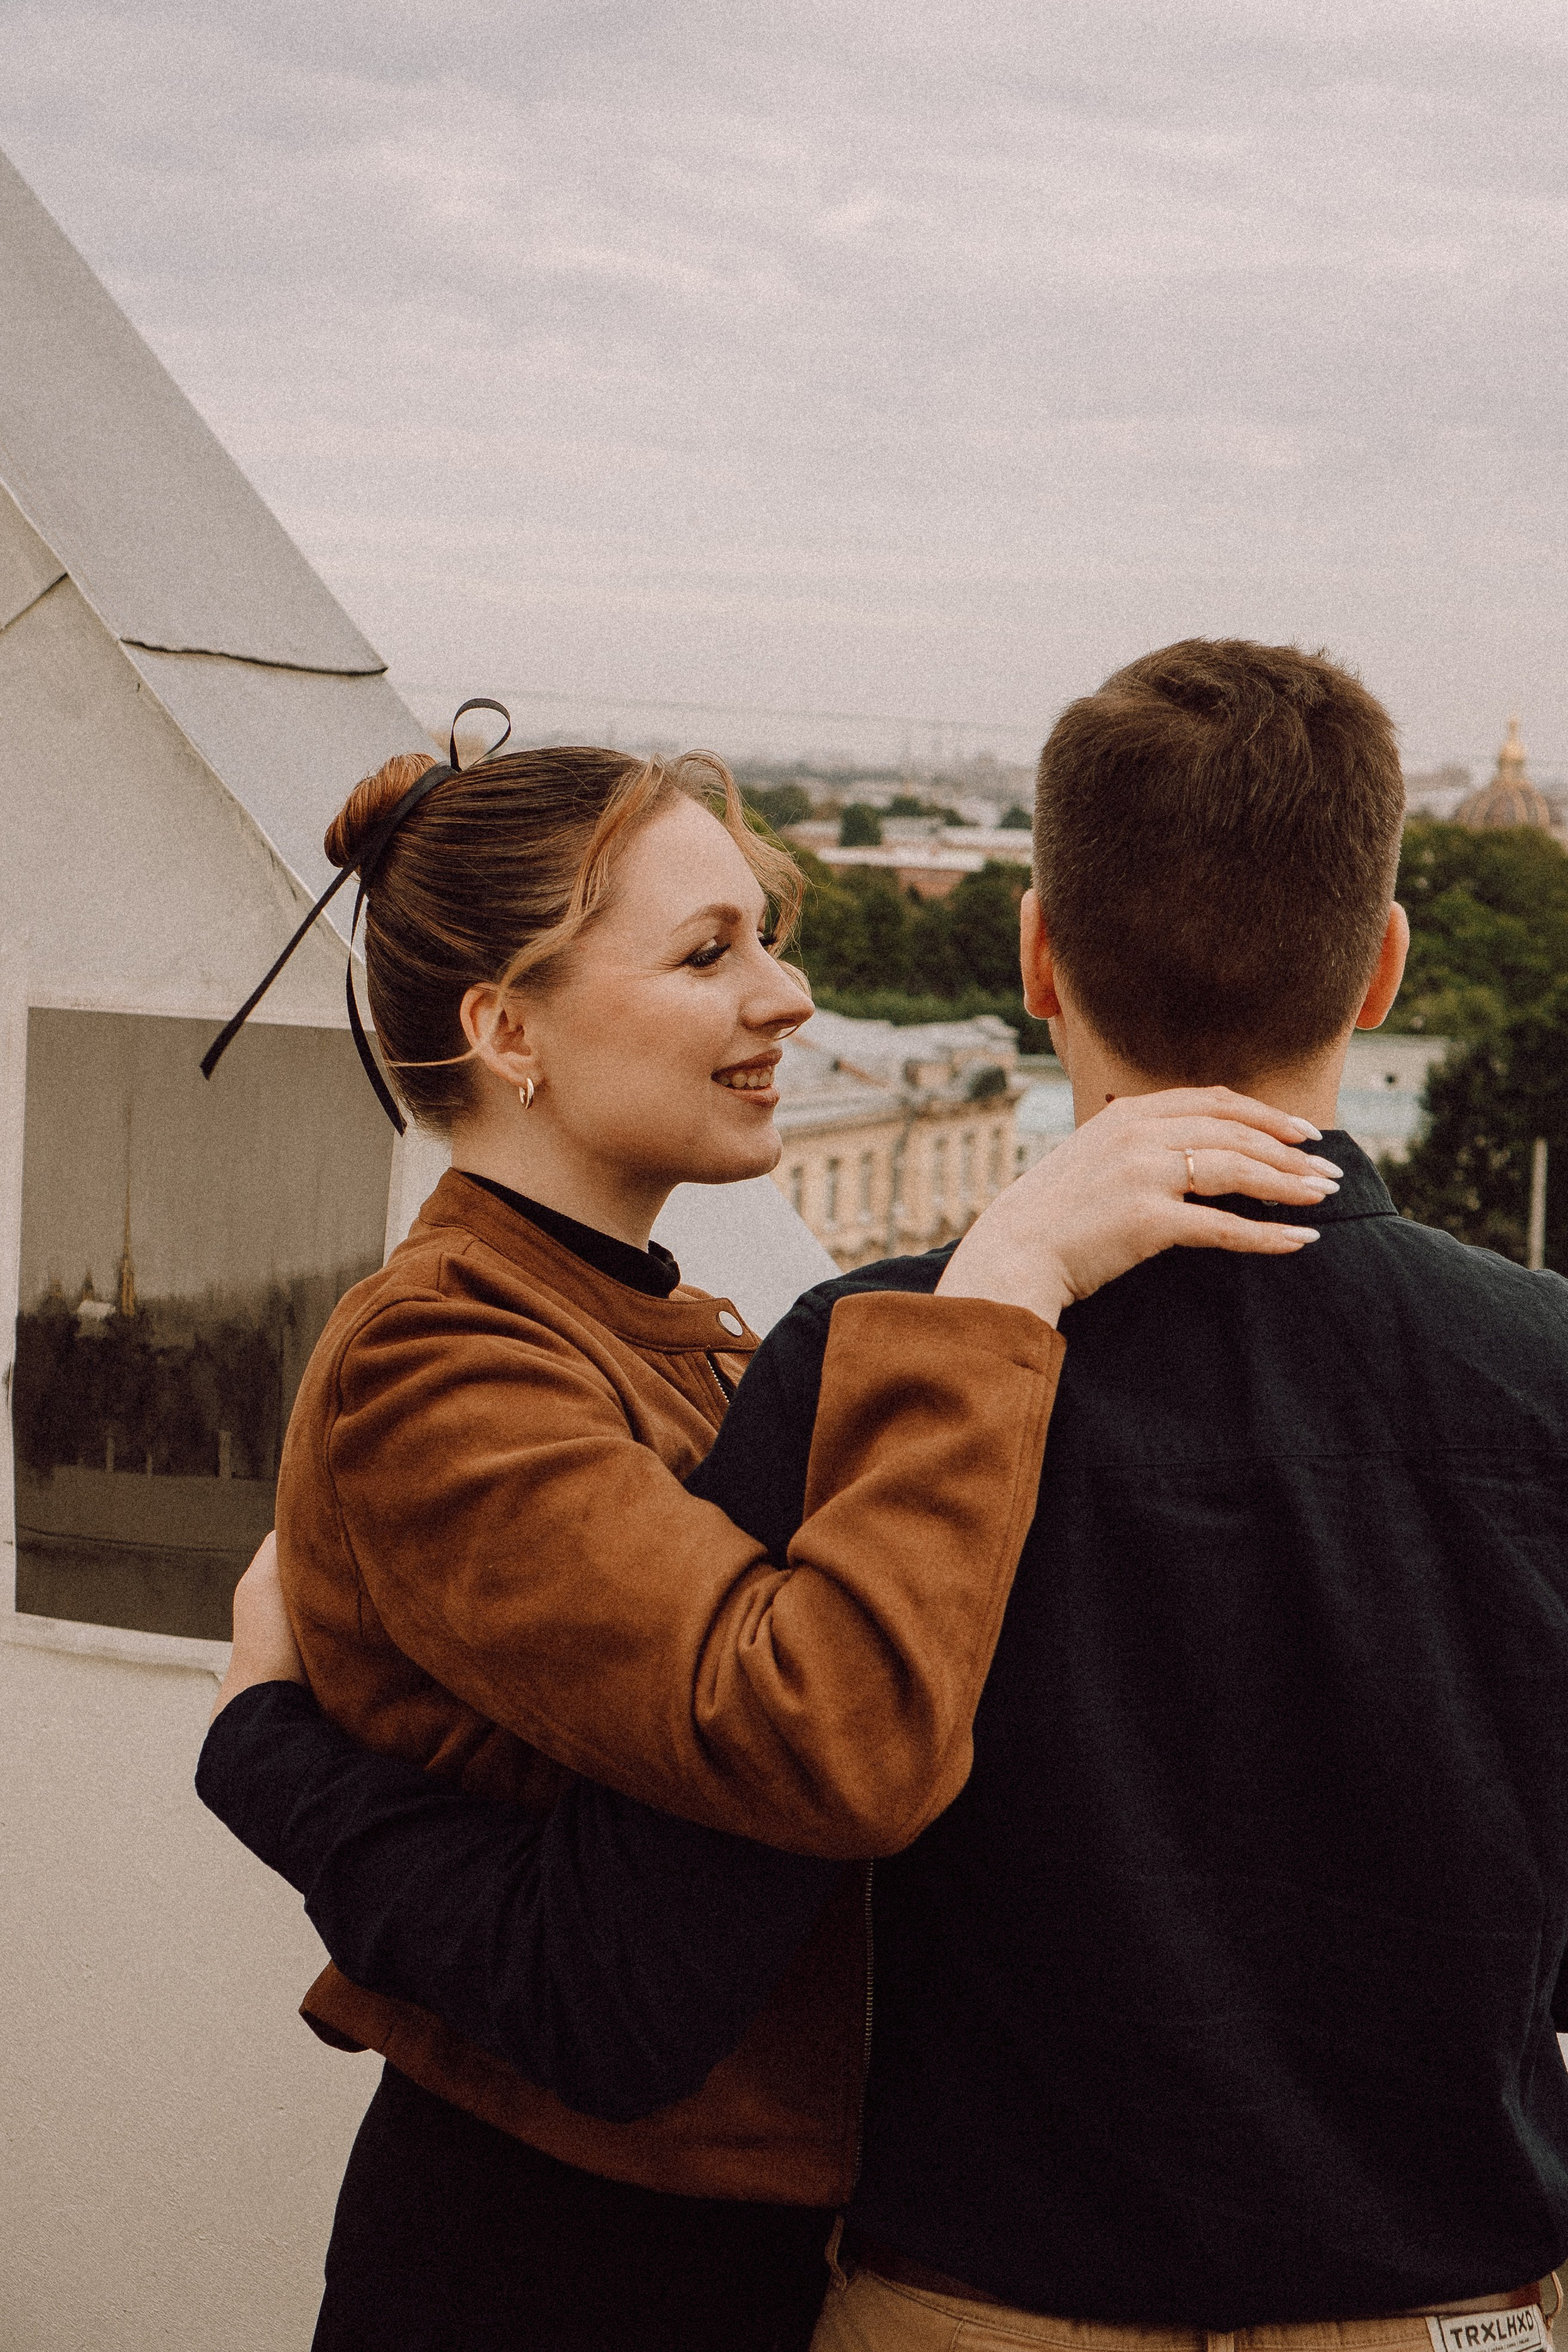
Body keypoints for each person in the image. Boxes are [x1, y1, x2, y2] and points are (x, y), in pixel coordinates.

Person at [206, 639, 1568, 2352]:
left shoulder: (781, 1348)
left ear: (1036, 960)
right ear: (1382, 971)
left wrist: (272, 1754)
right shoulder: (485, 1358)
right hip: (584, 2256)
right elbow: (765, 1799)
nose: (784, 997)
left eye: (766, 939)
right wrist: (992, 1290)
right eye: (714, 953)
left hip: (922, 2283)